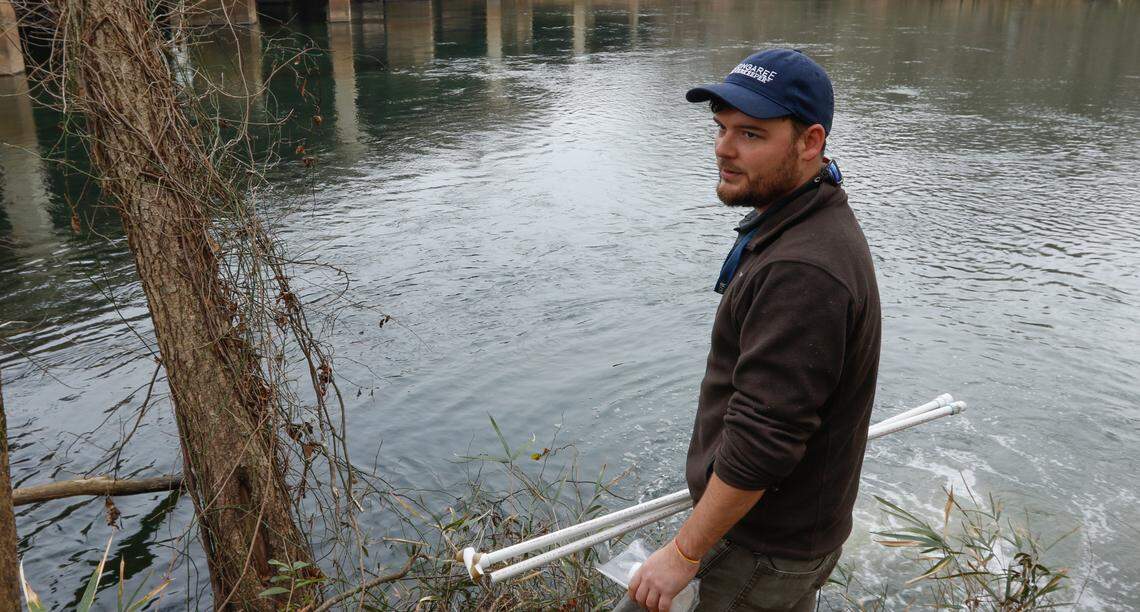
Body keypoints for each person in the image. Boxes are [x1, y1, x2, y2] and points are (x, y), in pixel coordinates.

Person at [618, 48, 881, 611]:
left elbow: (765, 438)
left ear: (810, 142)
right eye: (721, 129)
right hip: (793, 536)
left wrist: (684, 555)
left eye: (751, 135)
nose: (723, 149)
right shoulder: (811, 214)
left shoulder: (802, 269)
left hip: (756, 550)